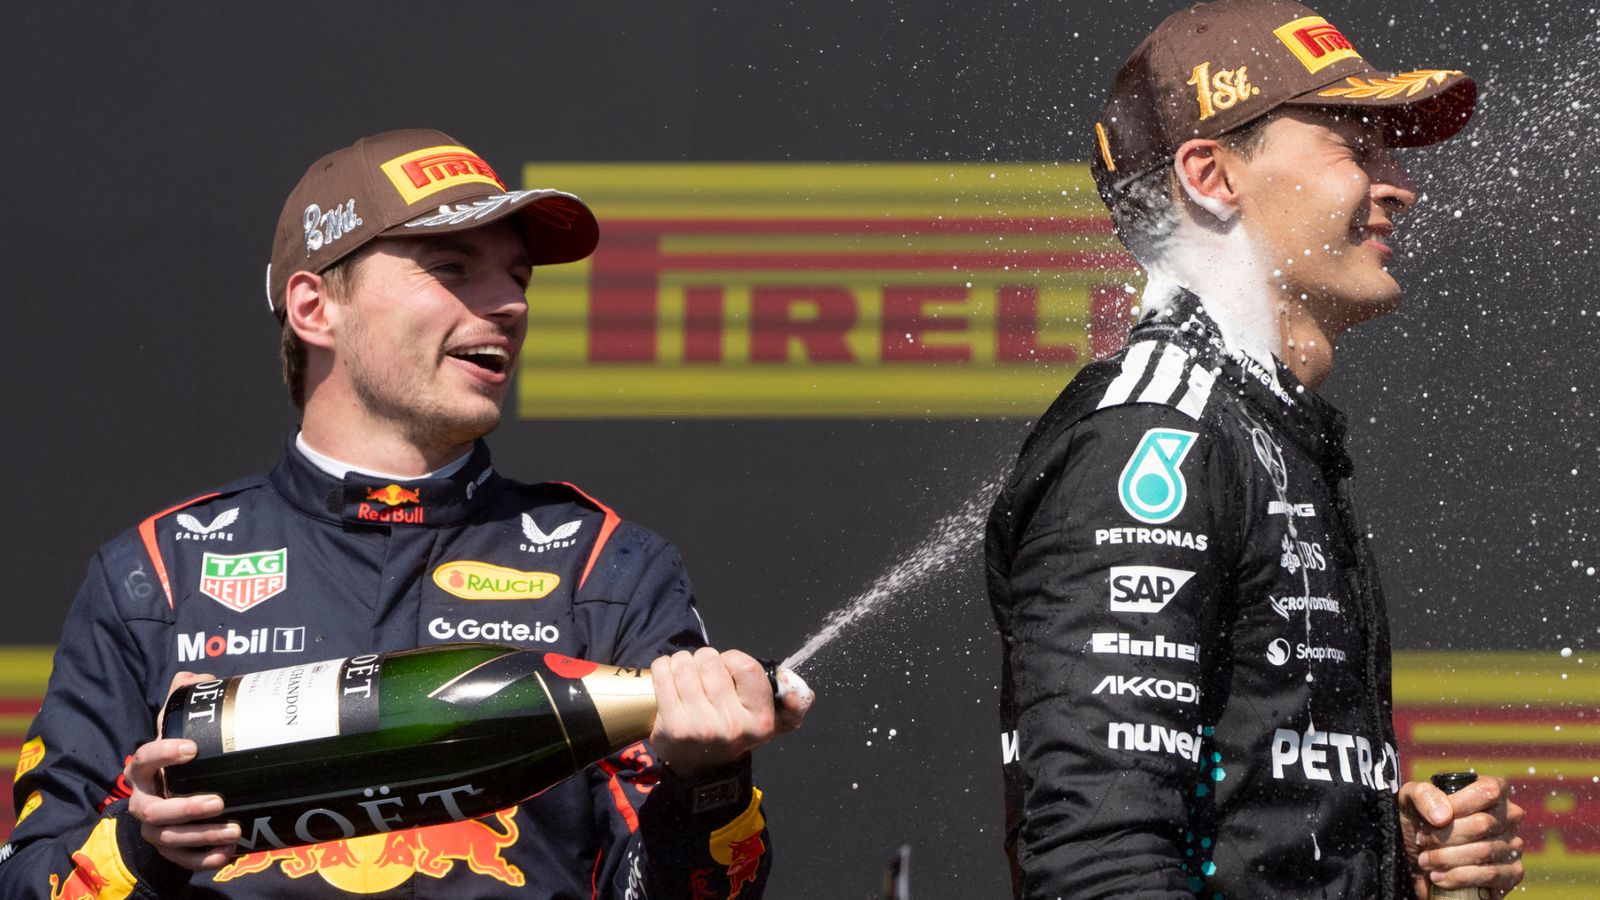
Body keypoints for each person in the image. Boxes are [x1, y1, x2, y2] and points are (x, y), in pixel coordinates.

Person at [0, 128, 810, 899]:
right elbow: (31, 876)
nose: (509, 306)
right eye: (454, 268)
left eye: (519, 278)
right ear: (316, 308)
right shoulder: (155, 574)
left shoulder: (604, 569)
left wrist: (706, 785)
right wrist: (144, 848)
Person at [987, 1, 1523, 897]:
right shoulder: (1154, 437)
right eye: (1357, 147)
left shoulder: (1258, 422)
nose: (1398, 185)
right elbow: (1101, 862)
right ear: (1212, 175)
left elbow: (1238, 832)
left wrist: (1392, 866)